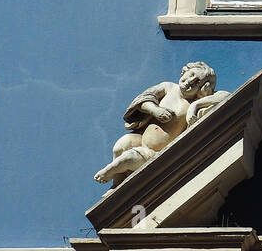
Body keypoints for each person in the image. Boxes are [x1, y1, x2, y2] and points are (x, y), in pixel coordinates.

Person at [93, 61, 229, 185]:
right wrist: (155, 110)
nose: (190, 81)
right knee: (121, 145)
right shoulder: (168, 87)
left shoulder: (192, 104)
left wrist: (196, 105)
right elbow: (144, 98)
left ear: (201, 89)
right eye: (191, 74)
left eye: (196, 82)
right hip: (140, 140)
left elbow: (225, 96)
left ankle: (109, 172)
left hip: (155, 154)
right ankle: (117, 183)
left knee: (129, 158)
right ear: (185, 71)